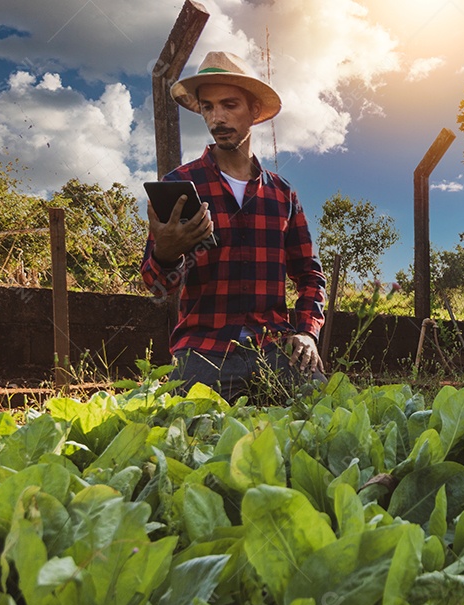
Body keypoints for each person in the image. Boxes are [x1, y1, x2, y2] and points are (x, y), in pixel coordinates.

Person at [140, 50, 326, 402]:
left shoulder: (282, 194)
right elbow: (158, 286)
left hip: (275, 345)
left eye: (229, 105)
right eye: (208, 107)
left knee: (319, 418)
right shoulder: (180, 185)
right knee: (188, 433)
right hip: (203, 348)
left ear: (255, 111)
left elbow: (310, 275)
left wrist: (306, 332)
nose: (217, 118)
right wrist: (166, 252)